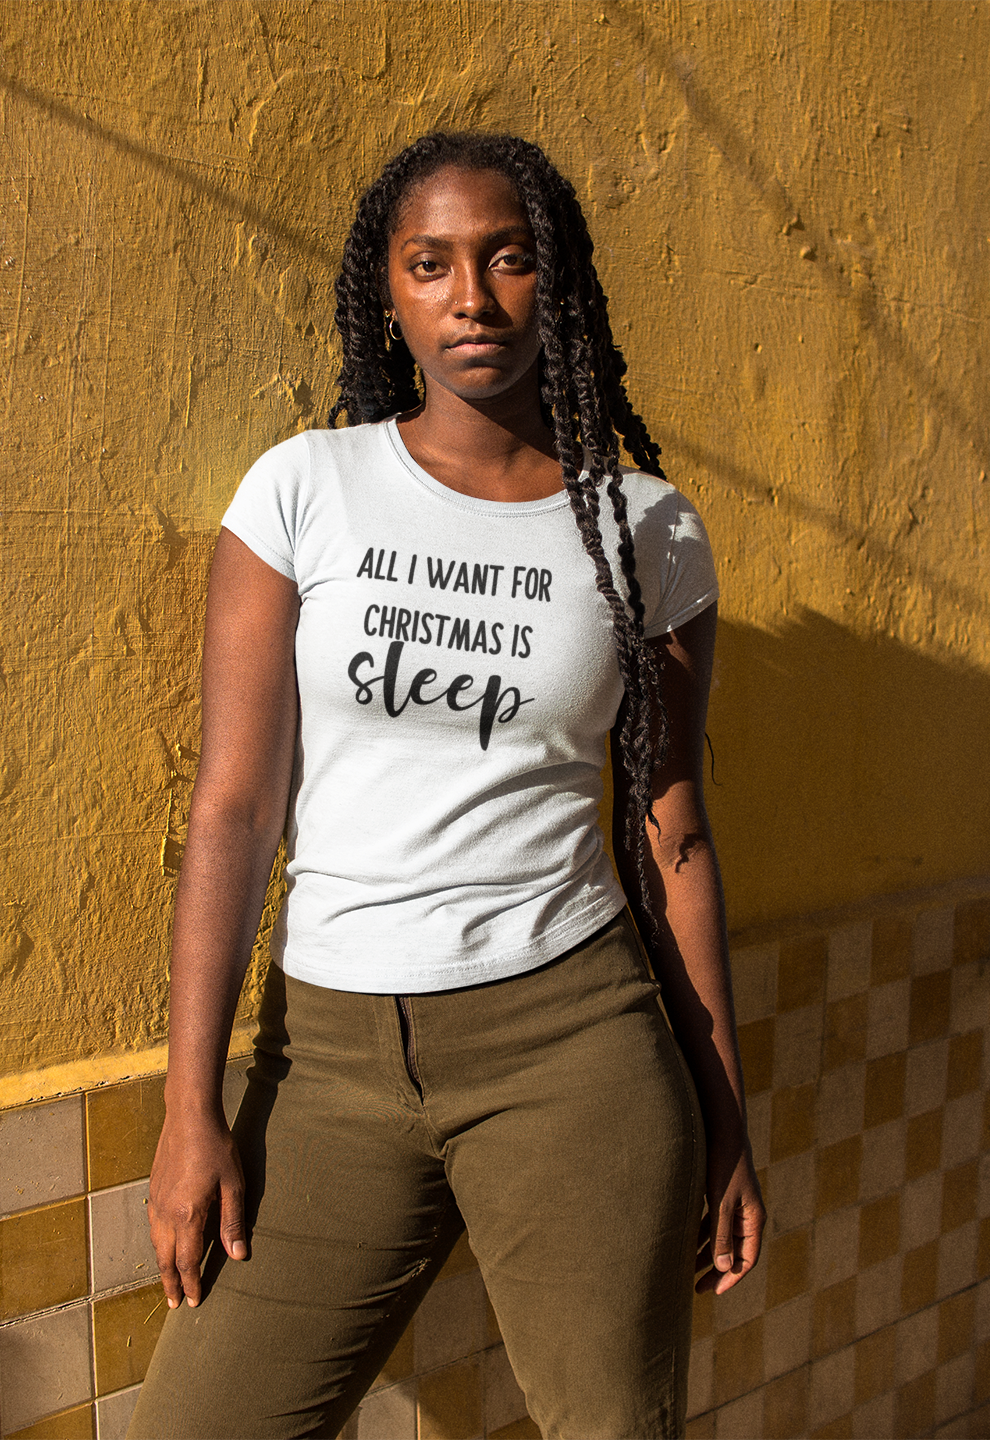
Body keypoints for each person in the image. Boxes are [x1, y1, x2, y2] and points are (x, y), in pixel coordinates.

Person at [129, 131, 765, 1440]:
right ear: (392, 293)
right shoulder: (305, 492)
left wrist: (727, 1117)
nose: (471, 298)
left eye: (508, 259)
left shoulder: (652, 530)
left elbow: (672, 833)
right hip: (332, 1064)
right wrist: (189, 1112)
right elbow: (233, 813)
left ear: (560, 284)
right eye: (432, 265)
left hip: (574, 1048)